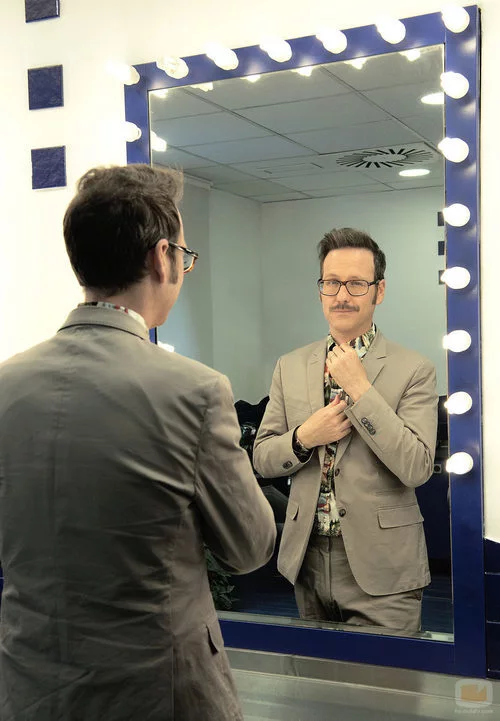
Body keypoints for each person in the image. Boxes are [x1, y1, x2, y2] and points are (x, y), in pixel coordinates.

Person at [0, 164, 276, 721]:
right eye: (184, 254)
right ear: (160, 257)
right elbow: (248, 547)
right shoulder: (195, 390)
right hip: (158, 691)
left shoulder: (6, 384)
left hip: (28, 687)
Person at [253, 227, 438, 633]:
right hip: (306, 559)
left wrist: (361, 390)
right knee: (318, 673)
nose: (342, 295)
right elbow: (263, 458)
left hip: (385, 566)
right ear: (320, 290)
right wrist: (304, 437)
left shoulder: (414, 369)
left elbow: (417, 466)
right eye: (332, 282)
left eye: (356, 283)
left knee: (388, 674)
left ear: (379, 291)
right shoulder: (290, 365)